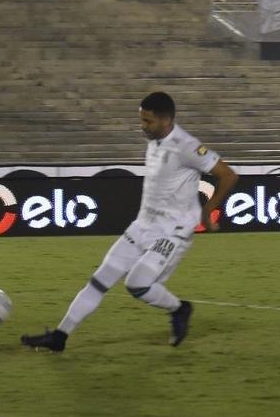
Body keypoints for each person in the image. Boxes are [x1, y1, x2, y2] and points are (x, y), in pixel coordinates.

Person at [21, 91, 239, 352]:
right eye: (142, 120)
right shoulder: (156, 140)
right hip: (142, 225)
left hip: (172, 232)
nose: (142, 126)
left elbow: (227, 175)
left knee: (137, 284)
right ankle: (60, 336)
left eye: (148, 121)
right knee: (99, 280)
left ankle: (180, 309)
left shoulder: (187, 146)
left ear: (166, 120)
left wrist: (207, 212)